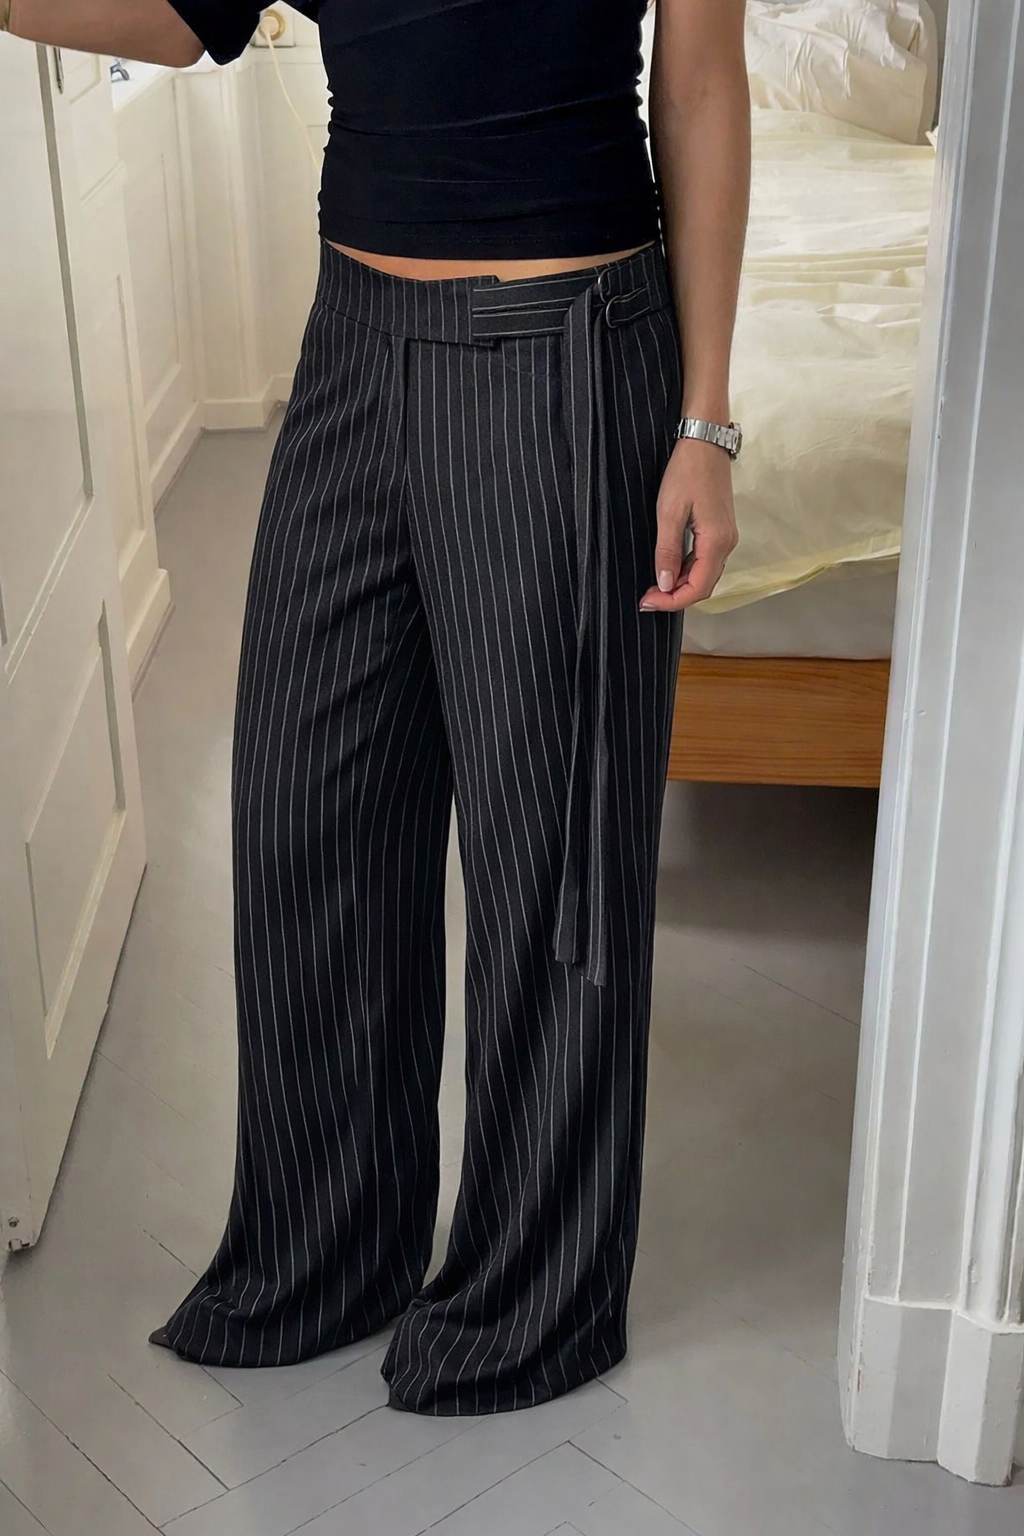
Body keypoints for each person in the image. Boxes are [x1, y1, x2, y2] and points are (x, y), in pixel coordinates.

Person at [3, 0, 749, 1415]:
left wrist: (703, 421)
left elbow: (704, 78)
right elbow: (182, 21)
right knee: (308, 811)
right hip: (352, 337)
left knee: (550, 858)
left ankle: (532, 1290)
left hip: (563, 343)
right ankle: (332, 1247)